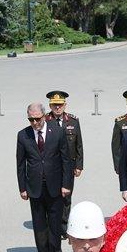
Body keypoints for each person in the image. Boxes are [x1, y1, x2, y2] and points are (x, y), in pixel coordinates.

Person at [16, 103, 73, 252]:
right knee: (39, 223)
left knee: (55, 222)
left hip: (55, 185)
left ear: (44, 116)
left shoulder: (57, 131)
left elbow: (66, 160)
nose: (35, 123)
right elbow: (20, 164)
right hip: (34, 186)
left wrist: (66, 184)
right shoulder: (23, 135)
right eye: (31, 119)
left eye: (37, 119)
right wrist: (22, 188)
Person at [45, 90, 83, 233]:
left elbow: (79, 144)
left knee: (66, 196)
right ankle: (52, 224)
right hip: (51, 167)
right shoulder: (45, 121)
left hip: (69, 166)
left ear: (65, 105)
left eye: (60, 105)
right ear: (50, 105)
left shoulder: (73, 121)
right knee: (51, 195)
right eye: (54, 105)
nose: (57, 108)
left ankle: (63, 225)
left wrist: (79, 165)